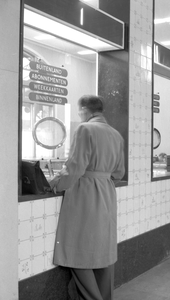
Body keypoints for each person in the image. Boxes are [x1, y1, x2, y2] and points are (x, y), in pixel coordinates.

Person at [49, 95, 125, 300]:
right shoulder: (116, 134)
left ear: (84, 109)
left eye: (79, 111)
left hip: (84, 193)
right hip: (107, 193)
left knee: (77, 249)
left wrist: (55, 184)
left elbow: (75, 167)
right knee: (103, 249)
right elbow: (119, 172)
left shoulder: (84, 129)